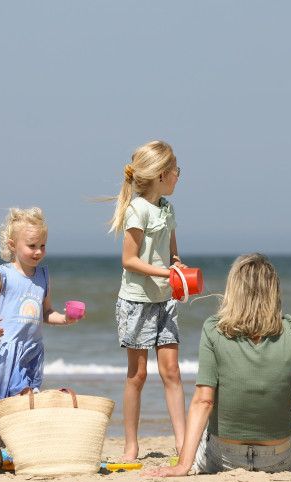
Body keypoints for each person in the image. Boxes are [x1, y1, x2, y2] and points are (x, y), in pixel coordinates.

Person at [148, 253, 291, 478]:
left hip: (224, 457)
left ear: (234, 289)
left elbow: (203, 400)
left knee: (204, 438)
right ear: (274, 290)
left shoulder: (214, 329)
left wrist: (182, 466)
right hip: (279, 458)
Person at [108, 140, 186, 461]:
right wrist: (164, 272)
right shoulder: (137, 210)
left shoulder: (167, 208)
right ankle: (131, 445)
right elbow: (129, 259)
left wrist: (177, 268)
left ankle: (183, 443)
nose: (179, 176)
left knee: (172, 372)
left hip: (165, 300)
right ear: (161, 175)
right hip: (137, 301)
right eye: (176, 171)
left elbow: (173, 252)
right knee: (137, 375)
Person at [0, 207, 79, 445]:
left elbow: (46, 313)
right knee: (5, 400)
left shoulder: (43, 276)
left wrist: (64, 318)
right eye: (31, 246)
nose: (38, 251)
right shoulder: (2, 275)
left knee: (27, 397)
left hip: (32, 350)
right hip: (8, 348)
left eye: (42, 246)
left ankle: (9, 442)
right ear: (12, 245)